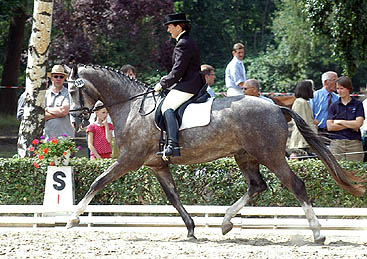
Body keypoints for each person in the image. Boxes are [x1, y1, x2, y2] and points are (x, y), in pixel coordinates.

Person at [154, 13, 205, 158]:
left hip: (189, 84)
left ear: (178, 26)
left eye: (170, 27)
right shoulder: (185, 41)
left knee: (166, 107)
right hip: (190, 81)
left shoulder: (183, 44)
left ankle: (173, 145)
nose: (168, 30)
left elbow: (177, 72)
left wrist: (162, 84)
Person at [327, 76, 364, 161]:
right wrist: (351, 125)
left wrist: (339, 122)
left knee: (356, 170)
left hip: (354, 143)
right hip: (337, 143)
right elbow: (330, 127)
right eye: (337, 88)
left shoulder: (358, 104)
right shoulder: (333, 106)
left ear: (348, 89)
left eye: (342, 88)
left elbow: (358, 124)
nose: (339, 91)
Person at [44, 65, 75, 139]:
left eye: (61, 77)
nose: (58, 78)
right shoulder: (44, 94)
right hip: (47, 138)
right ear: (51, 77)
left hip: (65, 138)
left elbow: (63, 111)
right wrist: (58, 113)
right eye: (56, 76)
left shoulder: (70, 94)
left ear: (64, 78)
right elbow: (41, 115)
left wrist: (46, 109)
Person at [289, 80, 318, 152]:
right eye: (312, 88)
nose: (313, 90)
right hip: (302, 141)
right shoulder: (301, 102)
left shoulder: (303, 102)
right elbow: (303, 123)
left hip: (304, 140)